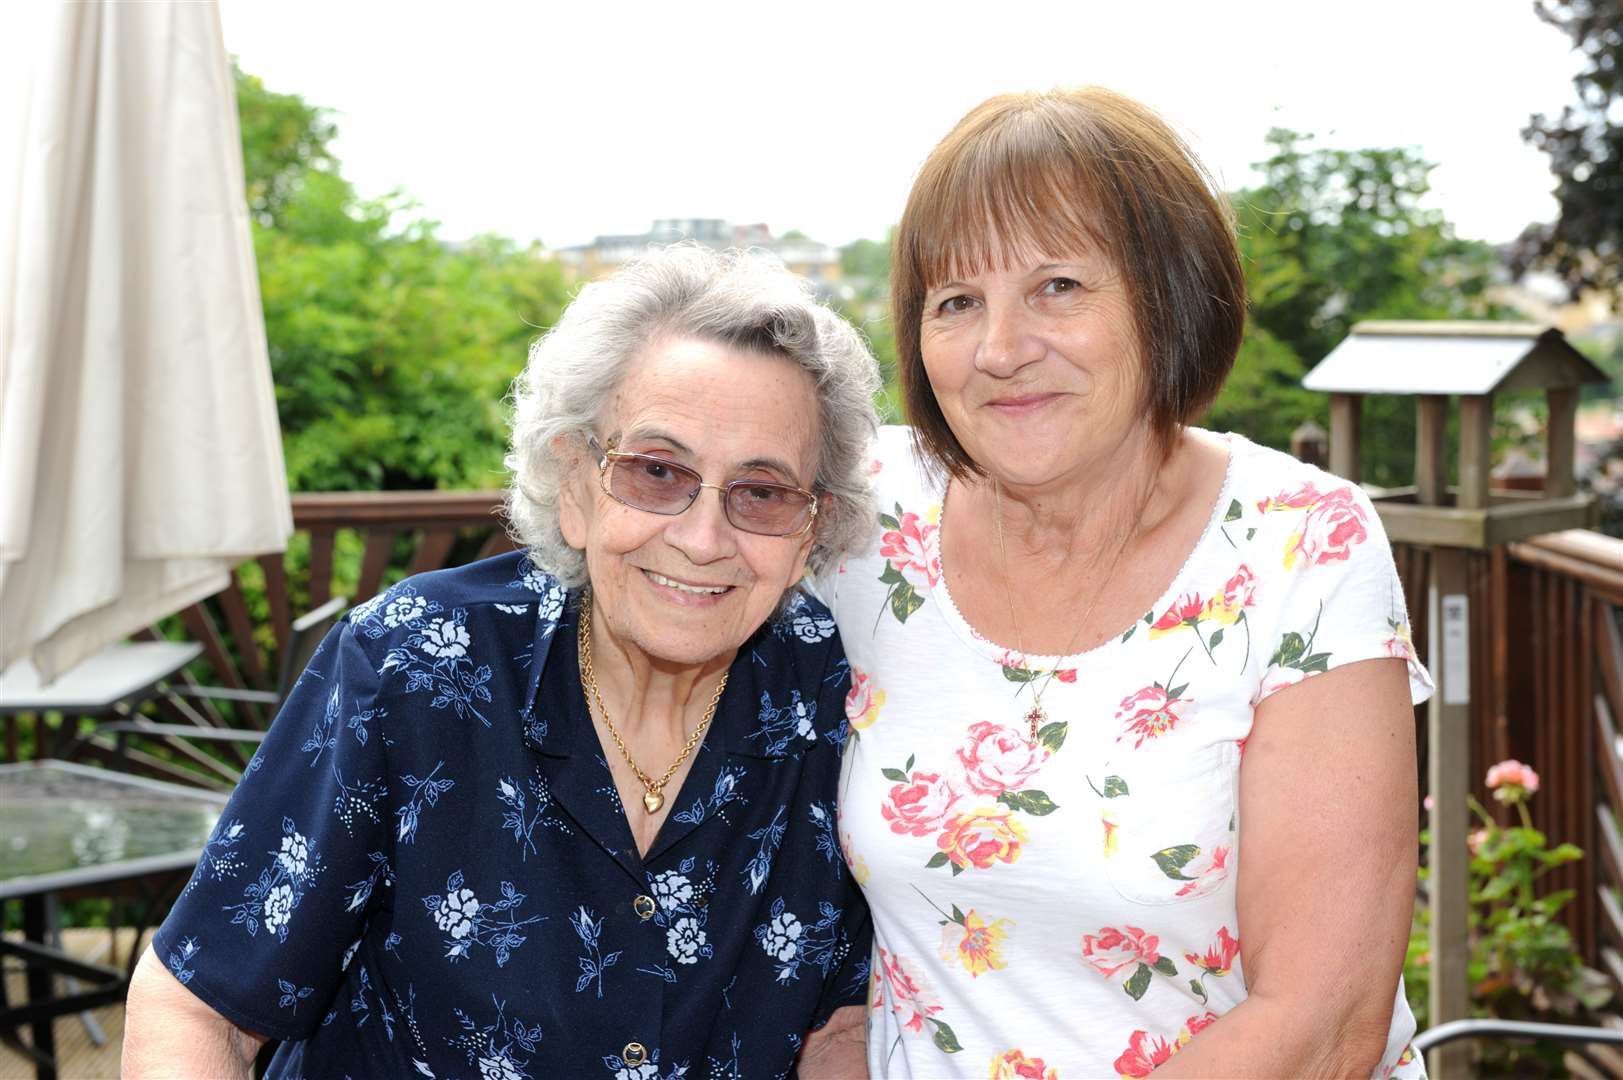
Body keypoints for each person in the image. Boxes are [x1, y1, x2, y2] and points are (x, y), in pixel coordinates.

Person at [124, 245, 880, 1079]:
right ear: (575, 483)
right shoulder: (419, 663)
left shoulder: (830, 691)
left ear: (811, 527)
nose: (703, 540)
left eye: (762, 492)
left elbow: (839, 1029)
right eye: (656, 472)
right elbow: (199, 1007)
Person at [819, 88, 1431, 1078]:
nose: (1001, 350)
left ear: (1167, 294)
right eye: (957, 302)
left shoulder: (1297, 545)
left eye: (1058, 285)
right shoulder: (866, 516)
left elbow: (1325, 1024)